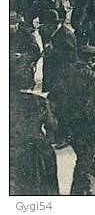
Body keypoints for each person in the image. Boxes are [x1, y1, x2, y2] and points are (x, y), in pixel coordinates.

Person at [51, 45, 95, 195]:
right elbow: (92, 102)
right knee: (86, 160)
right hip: (83, 123)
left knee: (81, 157)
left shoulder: (65, 71)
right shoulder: (90, 75)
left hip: (67, 123)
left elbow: (54, 96)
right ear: (91, 60)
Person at [9, 63, 59, 195]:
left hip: (14, 150)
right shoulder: (40, 101)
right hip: (40, 149)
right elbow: (52, 126)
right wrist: (47, 141)